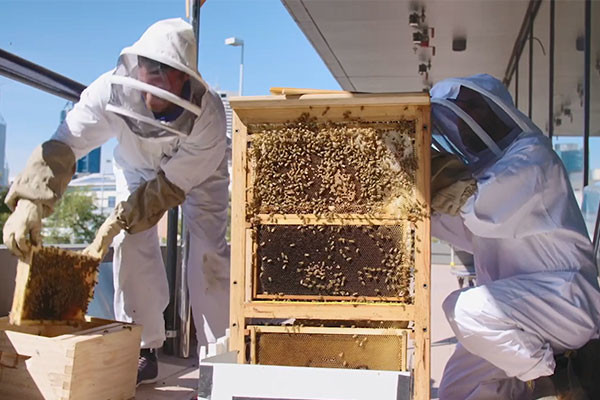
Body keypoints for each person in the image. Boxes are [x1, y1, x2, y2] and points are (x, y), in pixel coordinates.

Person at [2, 18, 230, 386]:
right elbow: (65, 145)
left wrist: (121, 218)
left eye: (163, 95)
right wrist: (30, 200)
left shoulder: (208, 118)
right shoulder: (106, 93)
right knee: (130, 242)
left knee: (208, 254)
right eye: (146, 88)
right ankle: (143, 347)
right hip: (138, 169)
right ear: (136, 70)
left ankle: (219, 357)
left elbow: (171, 186)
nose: (151, 103)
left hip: (199, 175)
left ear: (183, 80)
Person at [429, 74, 600, 399]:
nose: (462, 119)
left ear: (498, 111)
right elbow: (466, 226)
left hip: (565, 306)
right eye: (457, 111)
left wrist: (424, 170)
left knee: (464, 310)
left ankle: (552, 378)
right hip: (519, 310)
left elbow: (474, 205)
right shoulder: (492, 174)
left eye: (473, 107)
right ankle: (535, 373)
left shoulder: (532, 159)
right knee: (455, 389)